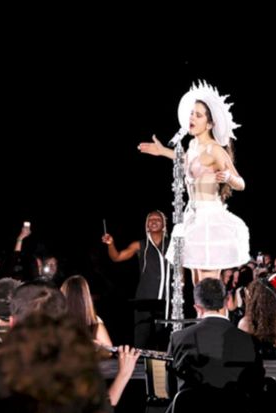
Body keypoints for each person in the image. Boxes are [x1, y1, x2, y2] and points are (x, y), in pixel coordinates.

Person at [138, 80, 250, 281]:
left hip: (210, 217)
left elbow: (241, 183)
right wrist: (162, 151)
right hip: (193, 217)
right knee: (196, 280)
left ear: (209, 124)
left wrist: (228, 177)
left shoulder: (215, 149)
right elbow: (186, 160)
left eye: (198, 115)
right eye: (191, 113)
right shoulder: (192, 145)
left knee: (209, 279)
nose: (192, 118)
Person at [102, 210, 170, 348]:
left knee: (163, 338)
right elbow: (117, 257)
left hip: (167, 298)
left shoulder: (173, 245)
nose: (153, 221)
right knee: (142, 337)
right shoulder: (140, 245)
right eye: (150, 219)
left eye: (157, 219)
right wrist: (111, 244)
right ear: (146, 225)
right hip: (144, 298)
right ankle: (139, 362)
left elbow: (181, 269)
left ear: (164, 224)